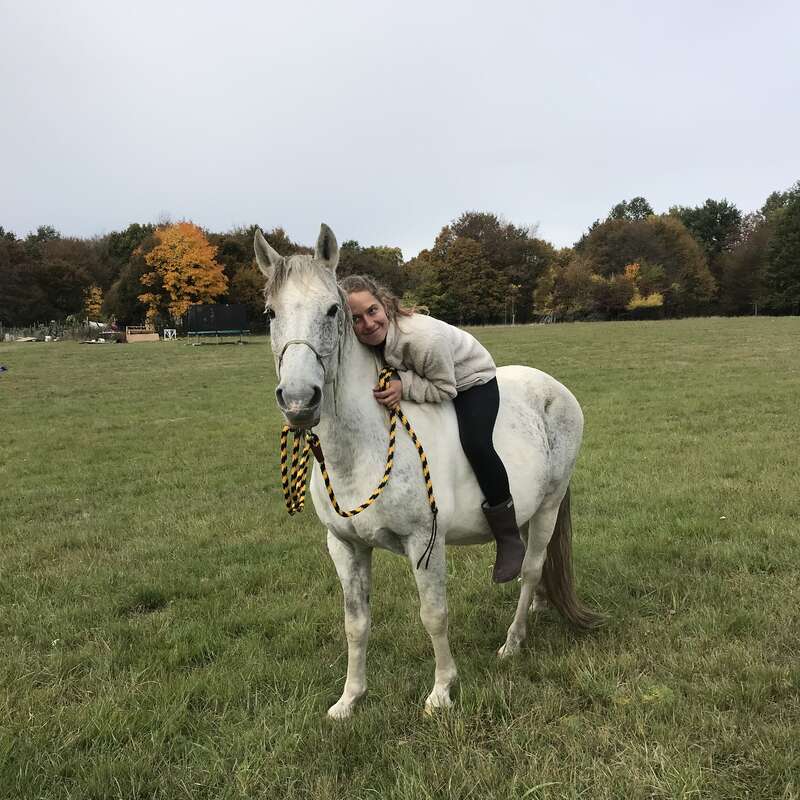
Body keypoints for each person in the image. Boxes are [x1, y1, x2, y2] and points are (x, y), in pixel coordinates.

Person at [339, 274, 525, 583]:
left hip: (469, 380)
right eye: (356, 319)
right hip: (425, 375)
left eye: (372, 311)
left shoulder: (423, 338)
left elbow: (444, 388)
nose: (368, 323)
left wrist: (403, 385)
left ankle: (509, 538)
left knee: (477, 443)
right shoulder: (366, 339)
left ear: (384, 304)